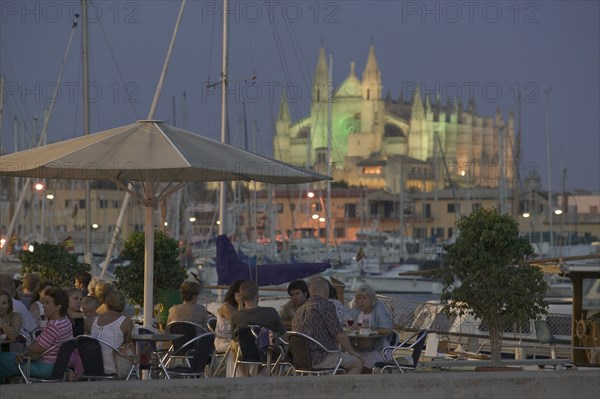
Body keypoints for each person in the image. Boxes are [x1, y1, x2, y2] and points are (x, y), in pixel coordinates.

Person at [292, 276, 363, 374]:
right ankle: (339, 389)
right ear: (326, 291)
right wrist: (353, 353)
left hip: (301, 361)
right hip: (321, 358)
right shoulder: (326, 305)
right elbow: (339, 335)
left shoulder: (299, 311)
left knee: (342, 362)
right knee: (357, 363)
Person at [0, 288, 73, 383]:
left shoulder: (54, 326)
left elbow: (36, 349)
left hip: (45, 367)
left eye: (47, 303)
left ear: (58, 306)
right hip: (58, 366)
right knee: (7, 356)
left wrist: (24, 353)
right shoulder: (66, 322)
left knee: (2, 359)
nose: (43, 306)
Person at [231, 280, 285, 377]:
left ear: (241, 298)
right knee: (279, 342)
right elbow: (282, 333)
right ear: (257, 297)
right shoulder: (271, 312)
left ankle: (248, 377)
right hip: (269, 354)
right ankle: (264, 375)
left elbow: (234, 337)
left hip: (247, 354)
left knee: (233, 345)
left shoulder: (236, 317)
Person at [346, 283, 393, 368]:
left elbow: (387, 329)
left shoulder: (378, 307)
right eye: (358, 298)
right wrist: (351, 328)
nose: (361, 301)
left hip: (378, 349)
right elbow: (345, 324)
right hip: (358, 348)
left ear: (371, 300)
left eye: (364, 298)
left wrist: (370, 330)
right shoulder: (356, 309)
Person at [90, 289, 134, 376]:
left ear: (106, 304)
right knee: (132, 352)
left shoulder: (96, 319)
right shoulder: (126, 321)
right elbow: (127, 343)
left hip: (92, 366)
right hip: (114, 368)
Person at [214, 280, 243, 377]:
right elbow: (238, 323)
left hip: (236, 340)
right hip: (223, 341)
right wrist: (240, 303)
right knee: (235, 349)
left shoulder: (241, 306)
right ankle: (234, 377)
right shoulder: (227, 307)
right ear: (236, 294)